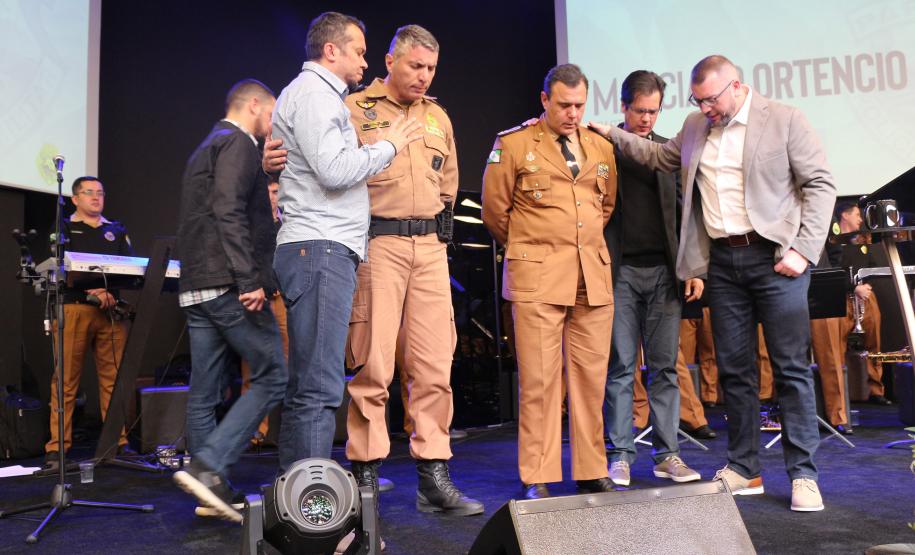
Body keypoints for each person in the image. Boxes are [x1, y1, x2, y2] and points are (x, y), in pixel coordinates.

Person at [590, 54, 836, 512]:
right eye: (697, 101)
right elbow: (658, 157)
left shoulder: (784, 119)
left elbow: (820, 184)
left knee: (791, 370)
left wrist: (803, 249)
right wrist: (612, 134)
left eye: (711, 100)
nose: (705, 109)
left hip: (775, 258)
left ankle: (803, 475)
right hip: (722, 264)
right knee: (734, 372)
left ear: (737, 87)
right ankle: (745, 469)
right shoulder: (695, 126)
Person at [267, 12, 422, 471]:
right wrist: (390, 144)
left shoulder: (317, 96)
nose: (364, 60)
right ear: (330, 51)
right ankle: (311, 511)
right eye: (358, 51)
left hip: (319, 248)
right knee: (318, 386)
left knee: (312, 385)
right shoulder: (316, 95)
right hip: (320, 248)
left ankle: (297, 502)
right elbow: (334, 172)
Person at [341, 24, 483, 515]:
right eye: (415, 66)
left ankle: (433, 475)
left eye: (430, 69)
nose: (423, 76)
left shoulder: (437, 116)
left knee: (433, 365)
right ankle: (364, 473)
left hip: (429, 249)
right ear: (389, 61)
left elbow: (449, 184)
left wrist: (434, 238)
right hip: (377, 244)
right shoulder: (354, 108)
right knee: (373, 365)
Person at [482, 63, 618, 500]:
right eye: (563, 105)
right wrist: (536, 247)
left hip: (590, 278)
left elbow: (605, 205)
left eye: (579, 105)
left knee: (590, 379)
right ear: (545, 101)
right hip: (538, 277)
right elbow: (495, 212)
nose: (572, 113)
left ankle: (591, 468)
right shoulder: (515, 144)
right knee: (540, 381)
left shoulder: (600, 146)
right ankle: (538, 473)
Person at [172, 79, 288, 523]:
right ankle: (209, 466)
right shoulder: (237, 142)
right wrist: (249, 278)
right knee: (274, 374)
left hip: (196, 286)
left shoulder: (206, 147)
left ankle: (210, 490)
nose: (273, 123)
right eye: (272, 112)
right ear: (254, 105)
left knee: (204, 393)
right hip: (227, 283)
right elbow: (228, 211)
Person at [602, 70, 703, 487]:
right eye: (640, 111)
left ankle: (668, 455)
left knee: (664, 369)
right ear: (624, 107)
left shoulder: (668, 152)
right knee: (621, 367)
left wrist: (693, 267)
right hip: (620, 273)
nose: (646, 119)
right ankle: (621, 455)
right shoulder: (605, 150)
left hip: (665, 273)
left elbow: (687, 212)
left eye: (654, 112)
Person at [44, 176, 134, 469]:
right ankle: (57, 449)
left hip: (110, 311)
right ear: (75, 198)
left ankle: (117, 444)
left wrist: (107, 292)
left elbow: (131, 269)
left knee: (114, 380)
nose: (96, 197)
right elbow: (59, 268)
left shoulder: (116, 229)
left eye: (100, 193)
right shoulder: (65, 228)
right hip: (74, 308)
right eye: (89, 193)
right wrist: (90, 291)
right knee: (66, 381)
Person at [835, 201, 892, 405]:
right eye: (857, 215)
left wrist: (864, 286)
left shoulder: (862, 243)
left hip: (865, 299)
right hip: (840, 300)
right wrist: (852, 287)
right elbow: (831, 271)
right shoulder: (832, 242)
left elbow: (872, 267)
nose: (860, 219)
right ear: (845, 216)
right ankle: (840, 393)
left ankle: (876, 390)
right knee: (836, 346)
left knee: (874, 342)